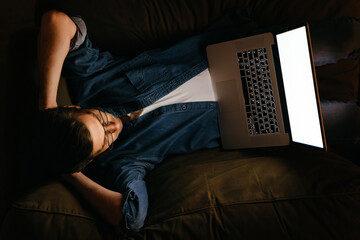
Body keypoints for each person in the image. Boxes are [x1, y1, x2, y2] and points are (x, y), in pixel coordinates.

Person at [37, 10, 360, 232]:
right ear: (94, 157)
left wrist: (47, 103)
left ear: (77, 105)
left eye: (98, 118)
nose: (112, 127)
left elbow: (58, 21)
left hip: (242, 52)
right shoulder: (123, 162)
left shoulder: (93, 78)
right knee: (349, 123)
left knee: (347, 35)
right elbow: (131, 219)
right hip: (257, 117)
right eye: (105, 139)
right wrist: (71, 174)